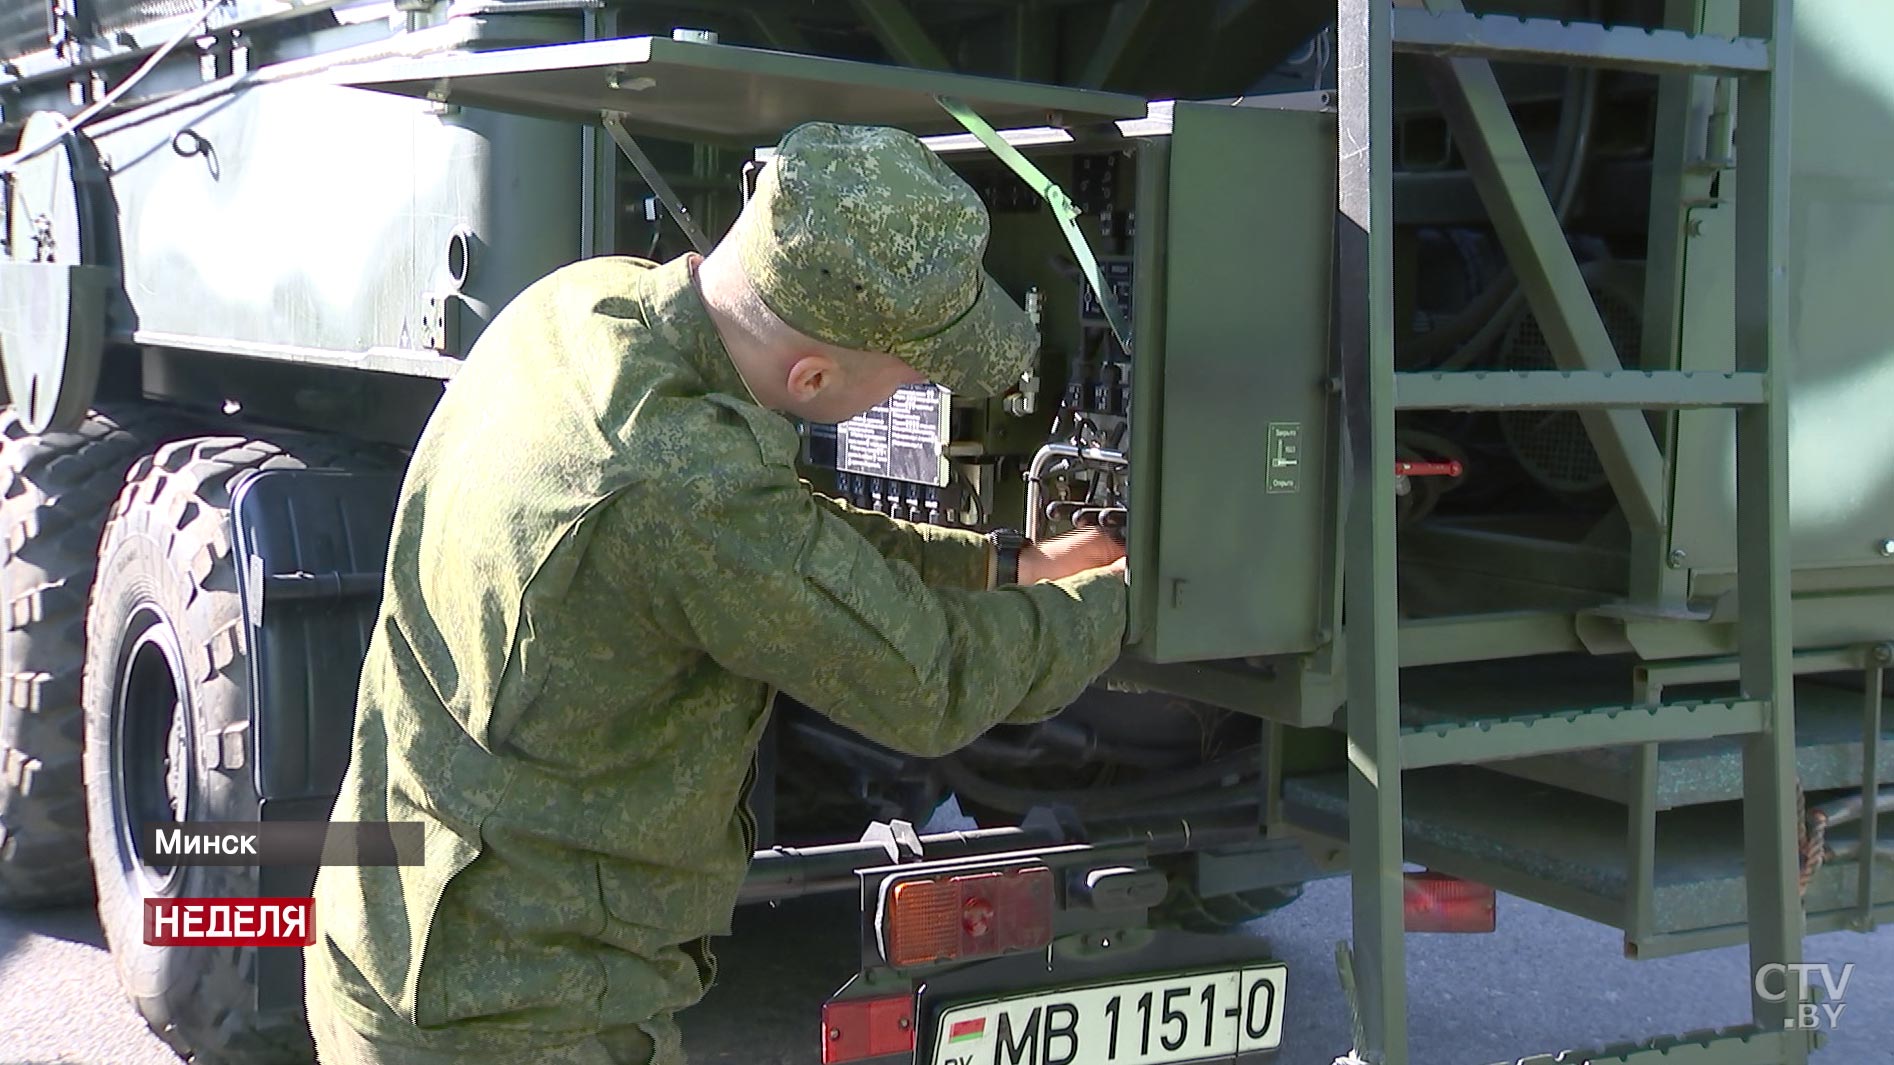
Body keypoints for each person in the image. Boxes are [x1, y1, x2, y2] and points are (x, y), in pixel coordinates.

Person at [304, 120, 1128, 1064]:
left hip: (405, 931)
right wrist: (1131, 597)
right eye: (909, 379)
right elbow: (931, 678)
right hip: (508, 1013)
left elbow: (793, 538)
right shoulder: (679, 479)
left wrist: (1004, 565)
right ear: (812, 375)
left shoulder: (586, 306)